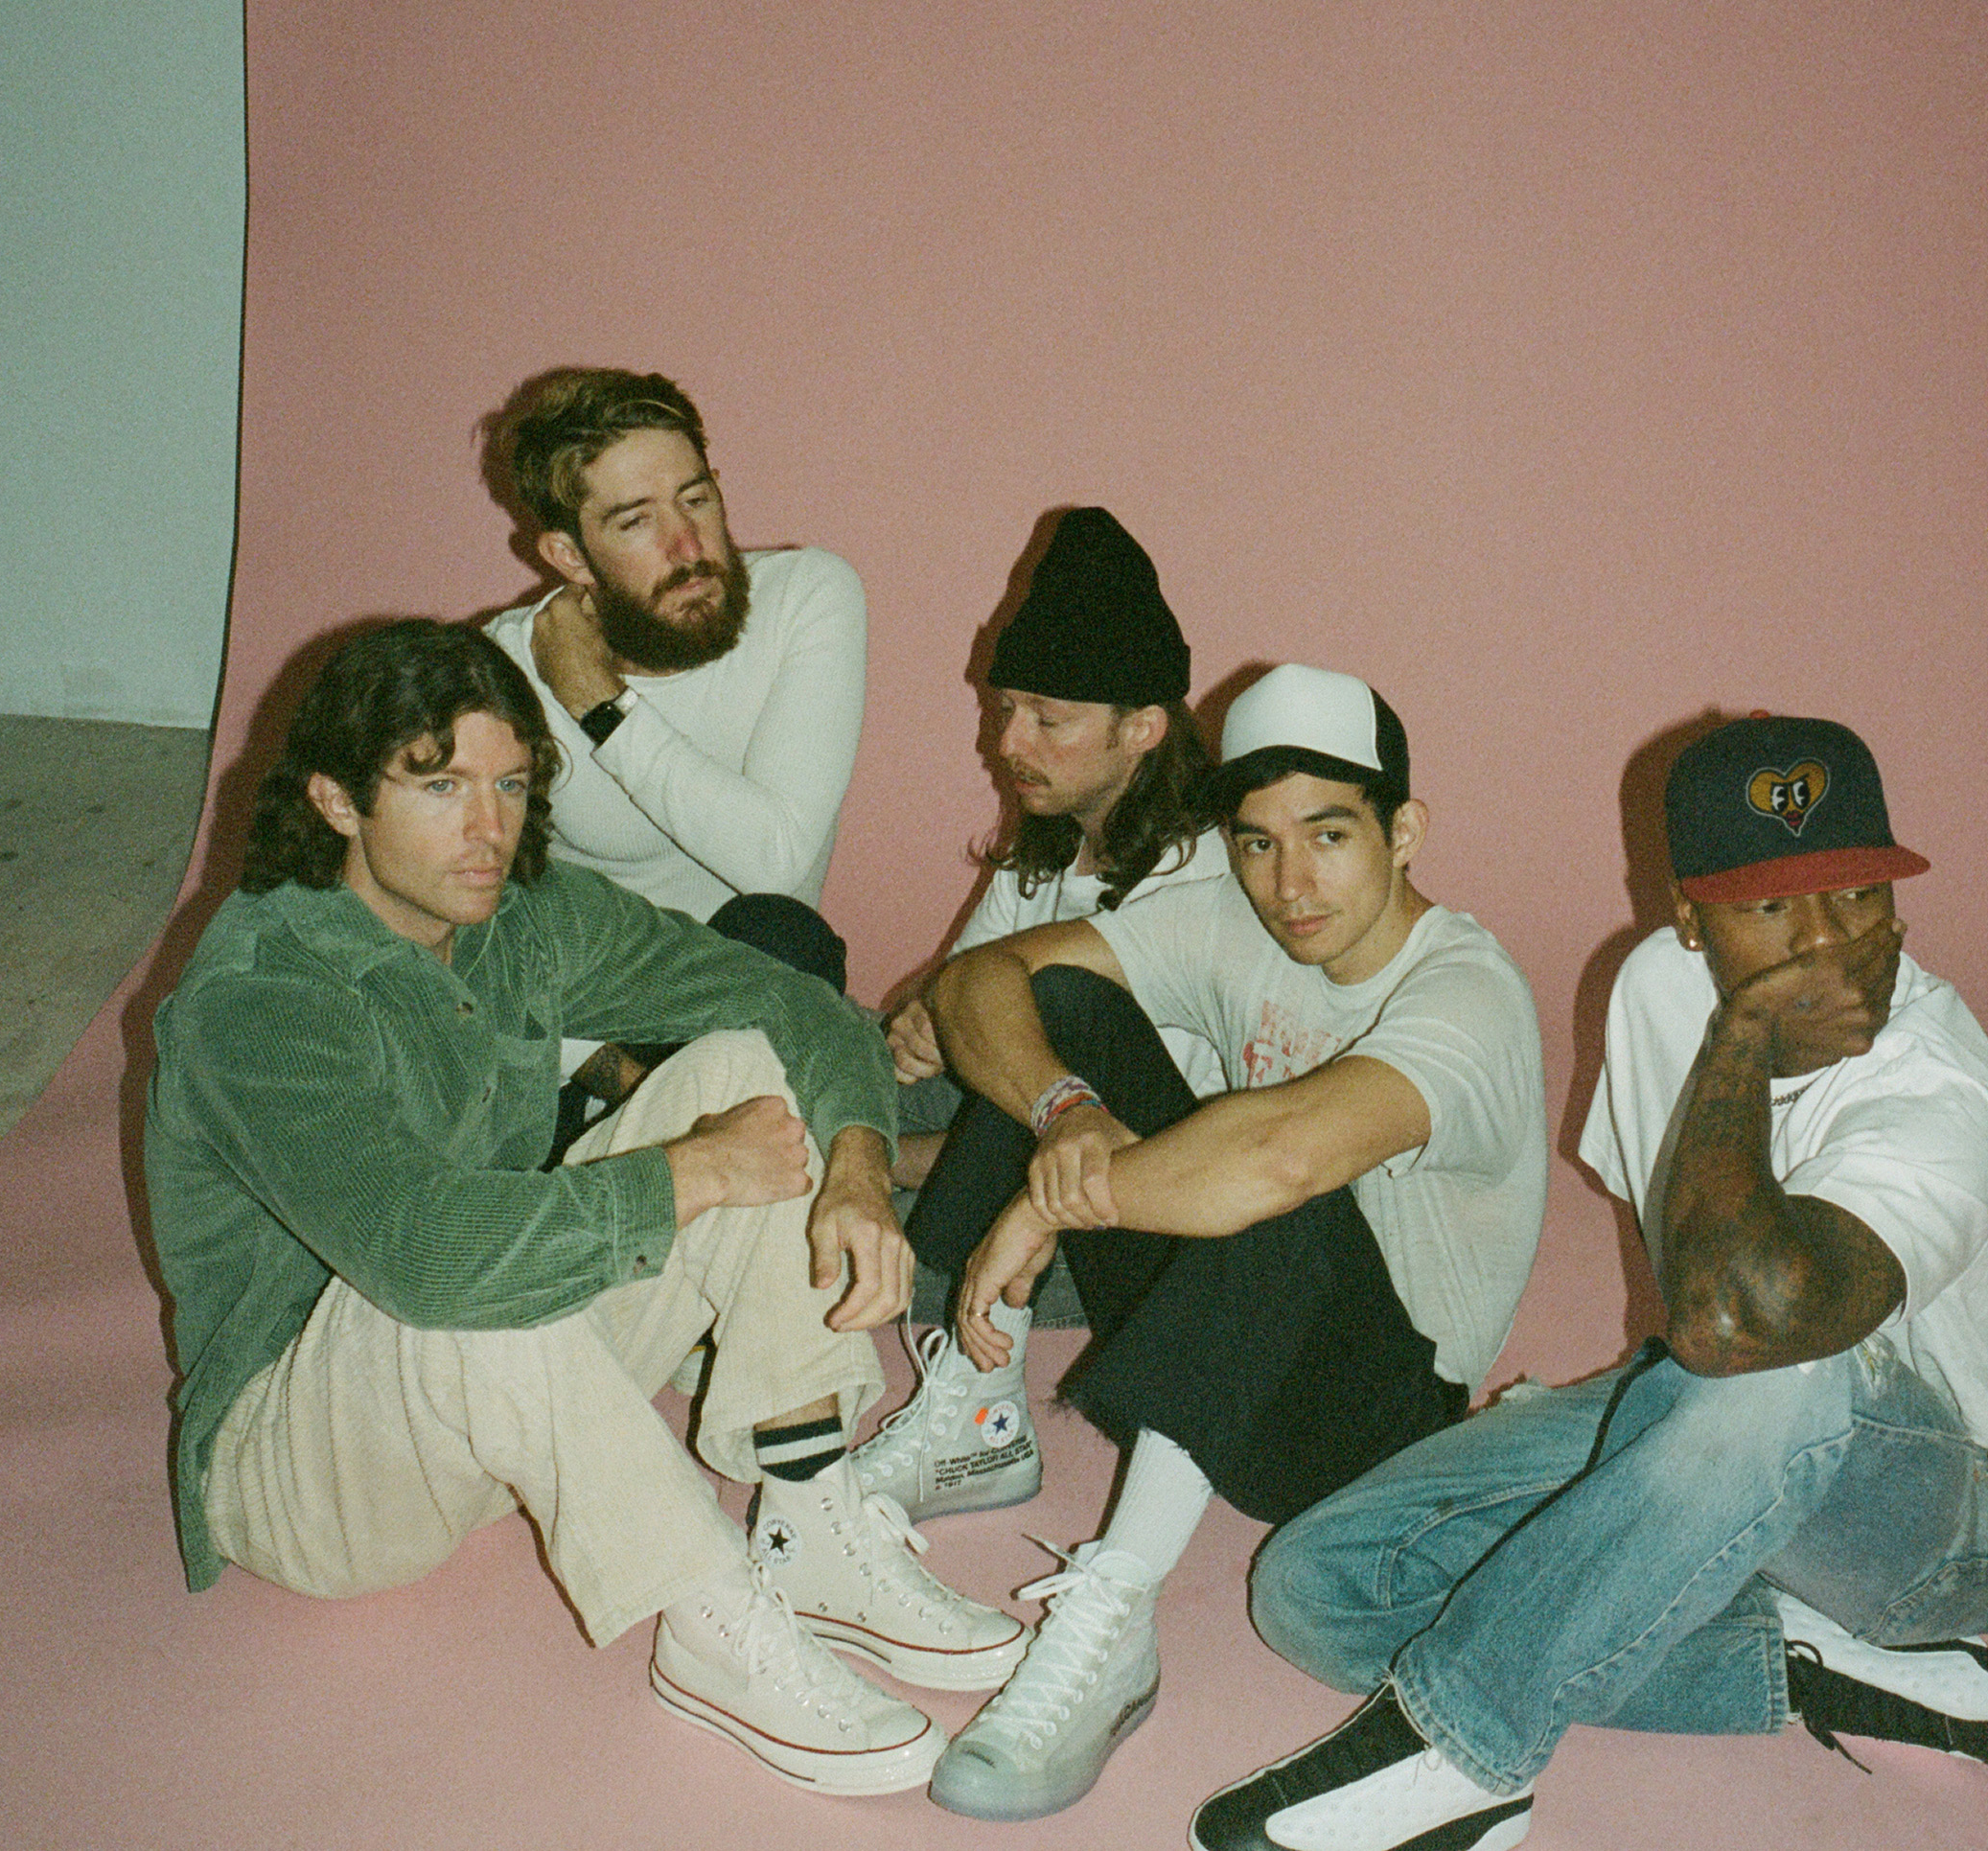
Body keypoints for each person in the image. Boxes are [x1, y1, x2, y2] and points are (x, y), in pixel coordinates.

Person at [144, 620, 1025, 1799]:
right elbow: (425, 1254)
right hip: (307, 1471)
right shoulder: (259, 998)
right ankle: (708, 1620)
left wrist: (861, 1163)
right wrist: (688, 1174)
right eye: (439, 785)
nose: (487, 827)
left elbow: (793, 1004)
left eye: (509, 783)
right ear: (336, 800)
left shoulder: (519, 914)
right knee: (471, 1273)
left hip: (496, 1403)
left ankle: (810, 1516)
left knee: (747, 1071)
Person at [1200, 713, 1988, 1851]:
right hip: (1731, 1411)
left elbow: (1744, 1329)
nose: (1823, 942)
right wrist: (1627, 1438)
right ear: (1690, 919)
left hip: (1941, 1531)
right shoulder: (1658, 985)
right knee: (1316, 1588)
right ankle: (1801, 1660)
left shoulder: (1936, 1096)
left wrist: (1743, 1034)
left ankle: (1464, 1747)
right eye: (1769, 907)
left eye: (1857, 893)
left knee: (1773, 1367)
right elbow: (1690, 1278)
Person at [898, 663, 1548, 1820]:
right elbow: (981, 978)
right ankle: (979, 1416)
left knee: (1270, 1179)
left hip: (1367, 1428)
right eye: (1255, 842)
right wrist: (1064, 1110)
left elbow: (1278, 1159)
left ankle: (1115, 1620)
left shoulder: (1468, 994)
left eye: (1328, 834)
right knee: (1060, 1013)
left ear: (1404, 832)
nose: (1289, 883)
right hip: (1218, 1325)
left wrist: (1048, 1201)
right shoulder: (1234, 920)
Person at [859, 506, 1230, 1519]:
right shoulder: (1056, 833)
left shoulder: (1197, 884)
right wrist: (923, 1018)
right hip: (1013, 1126)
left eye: (1047, 719)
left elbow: (1096, 1134)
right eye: (1005, 707)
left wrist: (869, 1159)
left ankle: (978, 1419)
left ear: (1142, 726)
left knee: (831, 1232)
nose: (1007, 743)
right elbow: (958, 1000)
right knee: (812, 1020)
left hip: (1119, 1209)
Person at [484, 367, 864, 1134]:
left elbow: (776, 862)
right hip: (580, 1040)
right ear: (568, 553)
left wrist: (601, 704)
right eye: (635, 522)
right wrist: (616, 1076)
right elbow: (477, 916)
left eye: (696, 499)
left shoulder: (807, 598)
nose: (688, 545)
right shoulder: (507, 667)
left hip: (746, 990)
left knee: (781, 935)